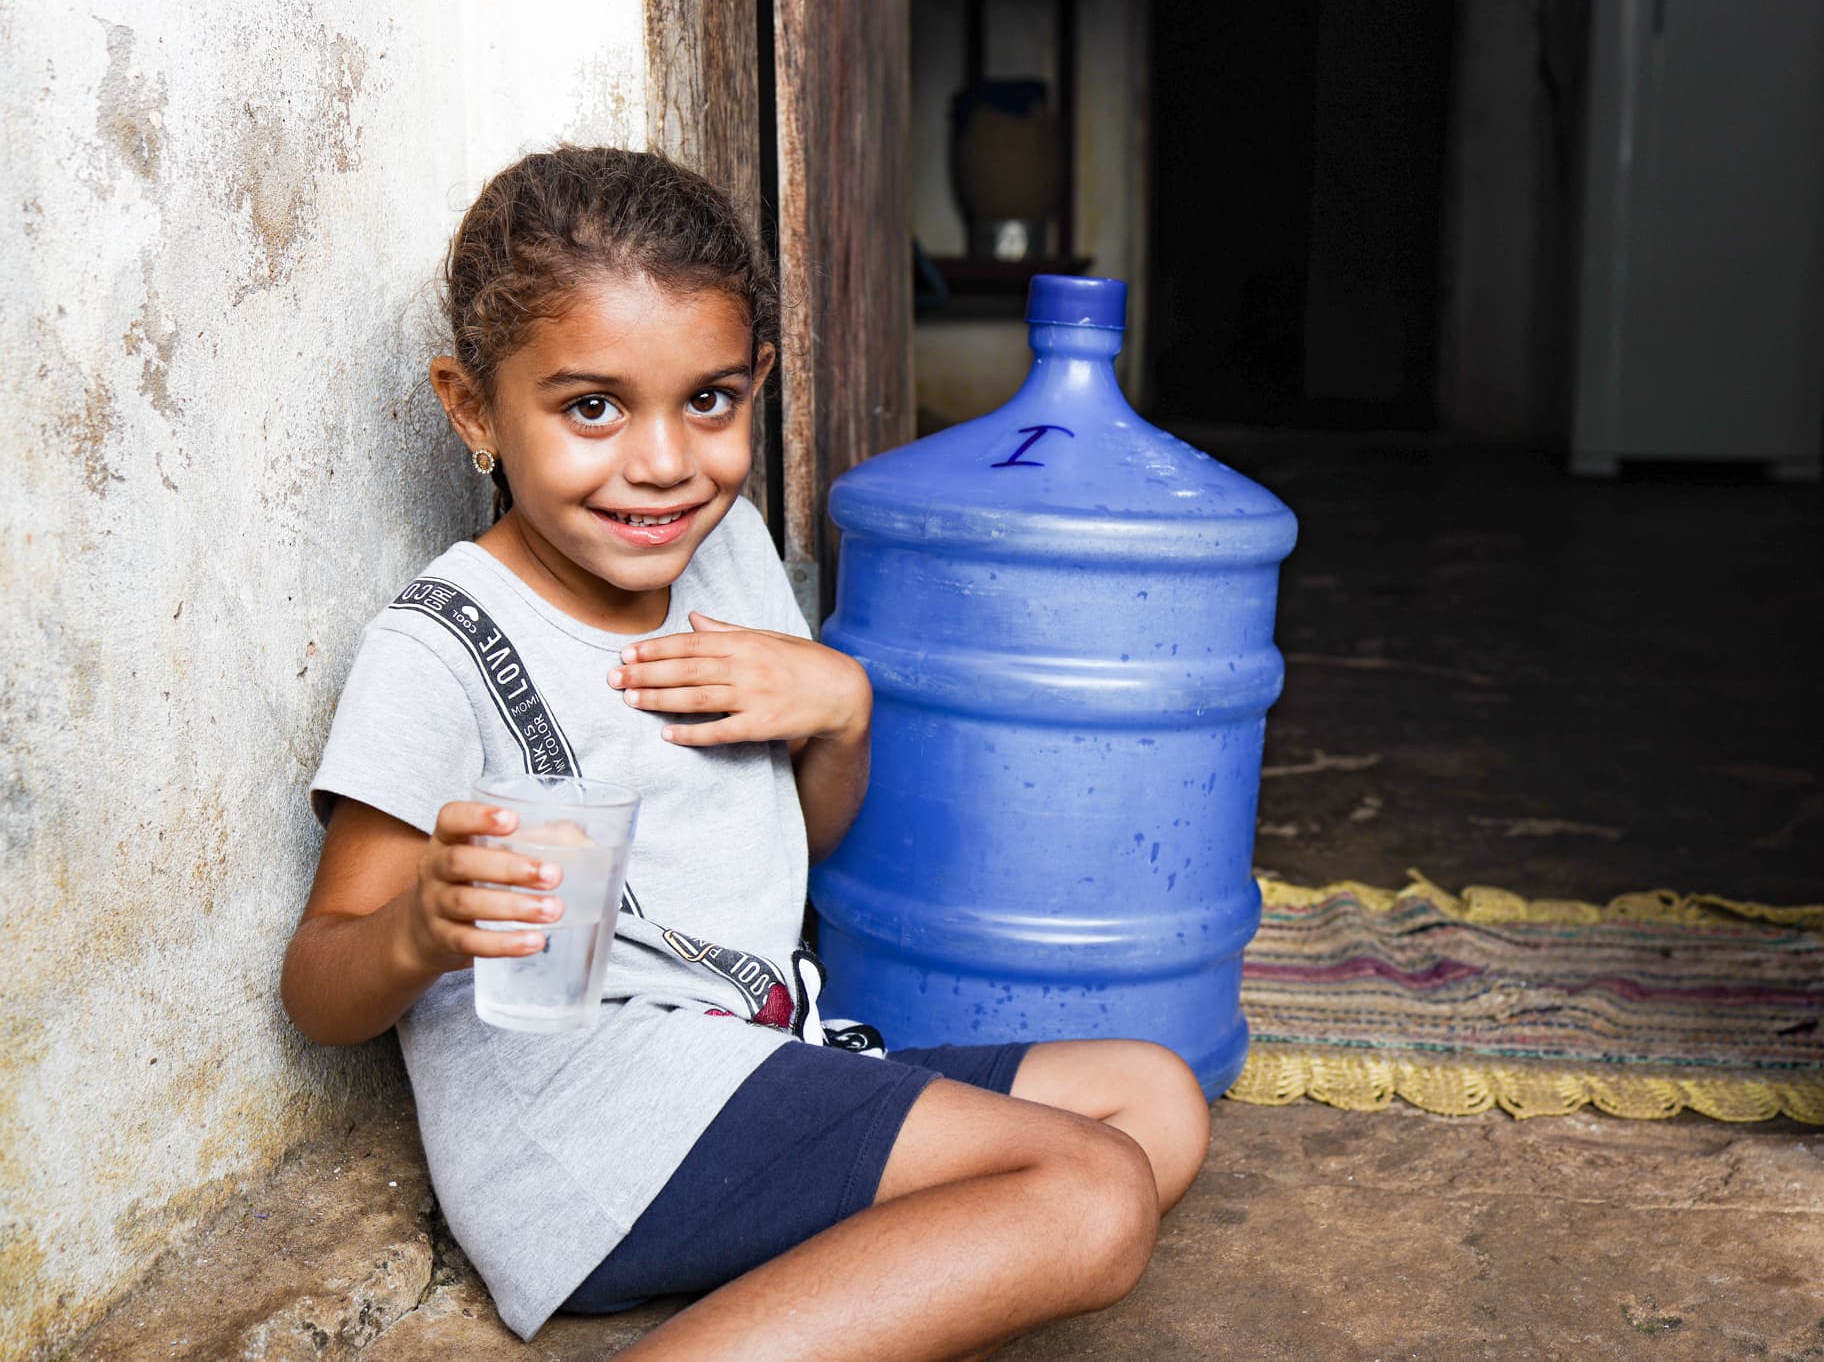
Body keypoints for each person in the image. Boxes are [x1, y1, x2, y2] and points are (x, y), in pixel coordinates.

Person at [279, 145, 1210, 1360]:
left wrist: (840, 712)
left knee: (1153, 1102)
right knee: (1091, 1195)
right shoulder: (443, 641)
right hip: (588, 1118)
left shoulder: (729, 554)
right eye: (591, 407)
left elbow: (792, 841)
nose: (663, 463)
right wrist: (422, 928)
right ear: (472, 407)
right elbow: (318, 989)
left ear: (756, 377)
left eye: (708, 400)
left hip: (745, 1062)